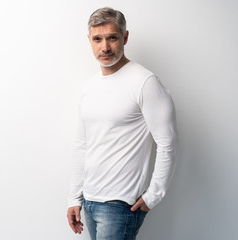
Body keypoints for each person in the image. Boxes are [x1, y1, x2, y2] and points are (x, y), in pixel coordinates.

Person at [67, 7, 178, 240]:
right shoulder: (88, 87)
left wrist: (153, 196)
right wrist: (74, 198)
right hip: (89, 199)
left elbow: (167, 143)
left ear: (125, 37)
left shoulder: (144, 82)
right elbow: (81, 145)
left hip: (120, 205)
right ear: (89, 40)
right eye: (97, 39)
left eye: (112, 38)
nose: (105, 47)